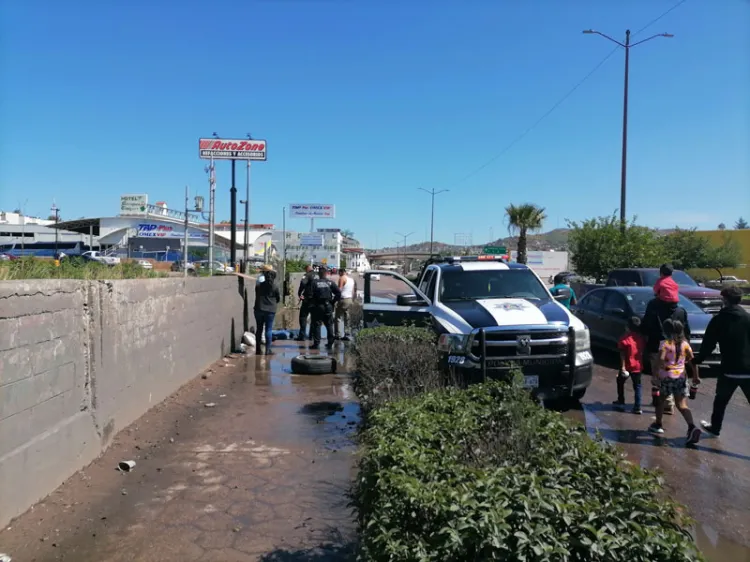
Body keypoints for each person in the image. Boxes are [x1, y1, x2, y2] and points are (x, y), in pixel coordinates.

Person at [693, 286, 750, 436]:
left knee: (720, 402)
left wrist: (697, 360)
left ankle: (715, 428)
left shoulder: (718, 320)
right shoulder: (748, 318)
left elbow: (708, 344)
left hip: (728, 370)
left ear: (724, 300)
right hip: (748, 370)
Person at [647, 319, 702, 445]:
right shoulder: (685, 344)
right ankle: (692, 427)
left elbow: (659, 360)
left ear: (667, 331)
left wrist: (655, 375)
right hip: (681, 378)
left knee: (660, 401)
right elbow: (693, 361)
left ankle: (658, 424)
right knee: (681, 404)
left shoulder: (665, 344)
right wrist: (696, 376)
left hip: (666, 377)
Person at [641, 288, 691, 415]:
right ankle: (671, 400)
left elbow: (646, 326)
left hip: (658, 345)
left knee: (660, 373)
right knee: (676, 371)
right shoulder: (681, 311)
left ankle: (665, 403)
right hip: (678, 347)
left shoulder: (654, 308)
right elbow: (686, 329)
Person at [614, 316, 646, 414]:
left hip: (627, 366)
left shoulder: (624, 339)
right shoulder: (641, 338)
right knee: (637, 386)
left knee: (620, 381)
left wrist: (623, 367)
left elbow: (622, 354)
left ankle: (621, 401)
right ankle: (638, 406)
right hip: (638, 366)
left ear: (628, 326)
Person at [308, 267, 341, 350]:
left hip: (318, 306)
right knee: (329, 324)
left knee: (317, 324)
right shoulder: (330, 283)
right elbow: (338, 293)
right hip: (328, 305)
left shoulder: (314, 283)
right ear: (326, 273)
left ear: (319, 274)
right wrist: (333, 302)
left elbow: (310, 295)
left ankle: (316, 344)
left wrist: (312, 304)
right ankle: (330, 342)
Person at [254, 266, 281, 355]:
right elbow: (278, 298)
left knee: (259, 328)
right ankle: (268, 350)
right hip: (270, 310)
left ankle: (258, 349)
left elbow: (256, 294)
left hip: (259, 308)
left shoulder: (259, 285)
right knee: (268, 329)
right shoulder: (275, 286)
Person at [334, 269, 357, 341]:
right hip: (349, 299)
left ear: (341, 272)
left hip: (343, 299)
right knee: (347, 318)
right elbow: (353, 291)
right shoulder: (351, 280)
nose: (339, 274)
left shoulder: (342, 278)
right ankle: (347, 334)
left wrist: (335, 299)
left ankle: (338, 334)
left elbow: (339, 290)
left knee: (338, 317)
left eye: (339, 273)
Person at [296, 265, 316, 341]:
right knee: (314, 318)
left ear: (307, 269)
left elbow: (303, 283)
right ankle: (312, 335)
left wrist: (299, 293)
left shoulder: (307, 275)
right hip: (316, 300)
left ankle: (302, 336)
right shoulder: (317, 275)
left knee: (303, 317)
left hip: (307, 299)